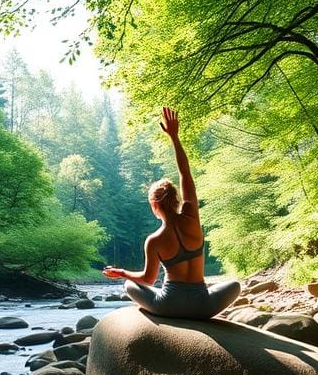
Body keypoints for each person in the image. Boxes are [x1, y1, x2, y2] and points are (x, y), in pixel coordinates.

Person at [102, 107, 241, 319]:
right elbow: (185, 174)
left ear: (154, 205)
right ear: (176, 199)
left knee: (130, 285)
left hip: (168, 307)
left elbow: (147, 280)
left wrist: (121, 273)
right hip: (203, 308)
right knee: (235, 285)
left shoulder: (154, 240)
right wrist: (174, 137)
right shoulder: (192, 219)